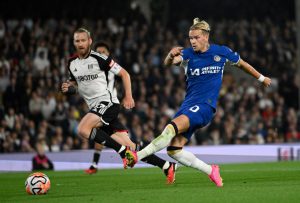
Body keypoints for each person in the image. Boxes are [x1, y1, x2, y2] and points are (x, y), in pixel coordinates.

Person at [125, 18, 272, 187]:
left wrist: (261, 78)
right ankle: (211, 171)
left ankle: (137, 156)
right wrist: (169, 55)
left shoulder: (221, 52)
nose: (192, 41)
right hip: (188, 106)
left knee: (170, 128)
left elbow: (242, 64)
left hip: (205, 107)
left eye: (196, 38)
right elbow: (169, 63)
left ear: (206, 36)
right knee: (174, 150)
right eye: (190, 38)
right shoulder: (188, 55)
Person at [61, 29, 176, 183]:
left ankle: (122, 153)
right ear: (74, 43)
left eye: (83, 40)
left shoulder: (100, 59)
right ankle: (167, 166)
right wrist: (69, 88)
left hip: (108, 103)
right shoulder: (72, 63)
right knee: (131, 146)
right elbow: (76, 84)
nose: (80, 43)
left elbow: (125, 74)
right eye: (77, 41)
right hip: (95, 107)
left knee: (83, 129)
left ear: (89, 41)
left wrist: (128, 95)